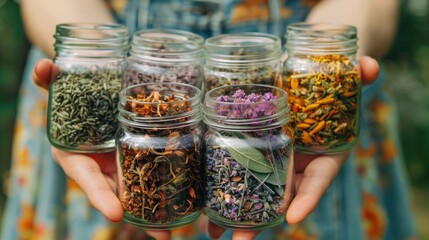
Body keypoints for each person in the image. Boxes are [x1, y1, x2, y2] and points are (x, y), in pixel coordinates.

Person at [1, 0, 415, 240]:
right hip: (113, 74)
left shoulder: (287, 103)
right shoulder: (125, 87)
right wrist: (93, 52)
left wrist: (324, 47)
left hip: (297, 102)